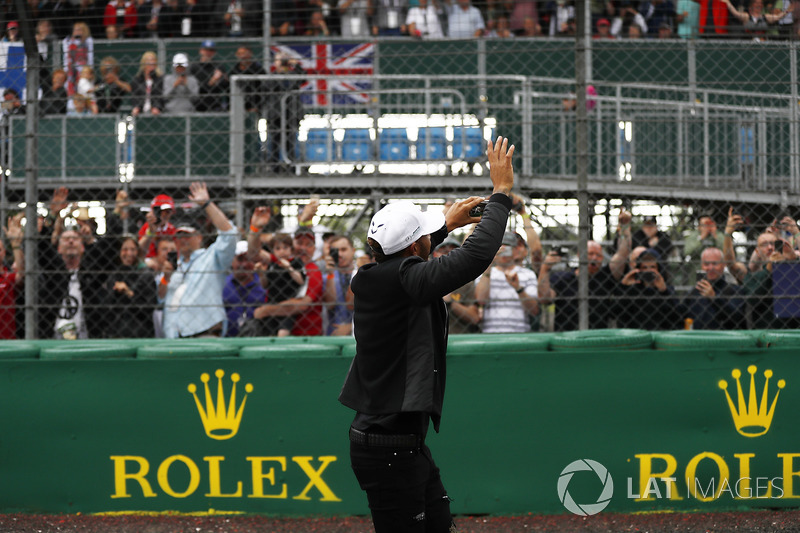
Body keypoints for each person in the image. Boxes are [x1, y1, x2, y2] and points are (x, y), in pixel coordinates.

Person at [339, 136, 514, 533]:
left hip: (396, 443)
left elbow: (407, 256)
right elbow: (472, 258)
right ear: (415, 245)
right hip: (389, 448)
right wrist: (501, 195)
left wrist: (445, 226)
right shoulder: (407, 279)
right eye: (424, 237)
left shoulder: (371, 275)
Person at [160, 182, 238, 338]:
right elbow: (161, 298)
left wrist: (207, 204)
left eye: (188, 236)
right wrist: (165, 278)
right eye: (180, 236)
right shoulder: (174, 266)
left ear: (199, 237)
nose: (183, 240)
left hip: (205, 331)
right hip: (174, 335)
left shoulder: (211, 258)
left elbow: (229, 235)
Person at [538, 210, 632, 331]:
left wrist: (625, 228)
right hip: (567, 338)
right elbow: (545, 298)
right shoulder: (563, 278)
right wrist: (545, 269)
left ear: (602, 258)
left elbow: (622, 254)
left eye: (598, 255)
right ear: (579, 255)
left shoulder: (605, 277)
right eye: (590, 254)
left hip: (598, 338)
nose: (594, 258)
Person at [251, 226, 323, 336]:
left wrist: (266, 310)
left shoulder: (313, 271)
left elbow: (302, 304)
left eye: (308, 244)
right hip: (274, 326)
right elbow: (254, 253)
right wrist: (255, 228)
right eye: (299, 243)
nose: (303, 248)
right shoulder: (280, 262)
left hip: (303, 334)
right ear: (293, 245)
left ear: (314, 249)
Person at [475, 231, 539, 333]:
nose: (503, 251)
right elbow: (481, 301)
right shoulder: (484, 274)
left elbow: (534, 310)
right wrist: (489, 263)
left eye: (507, 247)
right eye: (499, 247)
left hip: (520, 332)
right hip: (490, 333)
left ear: (515, 251)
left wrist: (518, 289)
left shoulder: (528, 274)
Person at [615, 248, 682, 330]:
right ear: (639, 269)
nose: (648, 271)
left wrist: (664, 291)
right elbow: (616, 311)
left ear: (659, 269)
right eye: (644, 267)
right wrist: (623, 286)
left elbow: (677, 316)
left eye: (652, 267)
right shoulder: (633, 290)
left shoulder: (668, 290)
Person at [104, 235, 158, 338]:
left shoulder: (145, 274)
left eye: (133, 249)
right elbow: (107, 307)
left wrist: (129, 293)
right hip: (116, 333)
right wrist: (116, 292)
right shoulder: (114, 275)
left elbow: (149, 307)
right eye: (125, 249)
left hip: (141, 332)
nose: (129, 253)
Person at [682, 247, 746, 330]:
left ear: (723, 265)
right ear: (702, 266)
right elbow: (678, 316)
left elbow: (736, 317)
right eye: (706, 264)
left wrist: (714, 298)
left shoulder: (735, 290)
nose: (711, 268)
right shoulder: (694, 293)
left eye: (715, 263)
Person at [432, 236, 481, 334]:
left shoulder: (466, 283)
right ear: (435, 254)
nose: (448, 255)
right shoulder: (425, 279)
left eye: (453, 251)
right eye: (444, 251)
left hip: (460, 339)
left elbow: (474, 318)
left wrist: (451, 302)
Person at [265, 54, 304, 173]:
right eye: (279, 60)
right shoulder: (271, 77)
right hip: (276, 114)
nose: (282, 62)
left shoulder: (293, 76)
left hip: (291, 113)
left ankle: (291, 167)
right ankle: (274, 168)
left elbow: (303, 77)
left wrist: (294, 64)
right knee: (274, 142)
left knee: (290, 142)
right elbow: (273, 86)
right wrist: (280, 70)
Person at [223, 241, 267, 337]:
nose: (244, 264)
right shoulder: (222, 284)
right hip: (227, 338)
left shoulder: (263, 284)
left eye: (248, 260)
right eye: (240, 259)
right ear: (232, 261)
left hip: (258, 338)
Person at [323, 234, 356, 336]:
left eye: (343, 249)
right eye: (336, 251)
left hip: (359, 331)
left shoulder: (361, 272)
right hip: (334, 333)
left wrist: (350, 327)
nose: (340, 254)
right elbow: (330, 304)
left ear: (353, 251)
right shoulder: (327, 277)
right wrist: (330, 274)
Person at [0, 213, 24, 339]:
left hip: (6, 339)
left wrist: (15, 244)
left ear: (4, 252)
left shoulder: (7, 276)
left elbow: (21, 274)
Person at [190, 40, 228, 112]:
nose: (208, 53)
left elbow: (224, 86)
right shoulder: (194, 67)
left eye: (211, 50)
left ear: (214, 52)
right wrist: (212, 81)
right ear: (200, 51)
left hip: (215, 104)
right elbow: (196, 89)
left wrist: (223, 80)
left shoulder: (219, 66)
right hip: (197, 105)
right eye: (206, 50)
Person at [719, 0, 792, 37]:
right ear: (751, 5)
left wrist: (788, 10)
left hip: (763, 43)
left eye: (760, 3)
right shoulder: (746, 16)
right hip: (748, 43)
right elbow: (736, 13)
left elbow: (778, 17)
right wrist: (728, 3)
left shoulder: (766, 17)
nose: (758, 5)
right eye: (756, 3)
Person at [229, 47, 266, 113]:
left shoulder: (258, 69)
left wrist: (258, 106)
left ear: (250, 54)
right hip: (238, 105)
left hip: (257, 105)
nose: (242, 56)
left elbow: (265, 89)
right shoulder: (234, 70)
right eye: (239, 54)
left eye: (244, 53)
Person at [138, 193, 177, 258]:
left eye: (168, 211)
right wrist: (150, 232)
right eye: (160, 211)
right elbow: (139, 251)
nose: (164, 215)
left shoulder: (172, 229)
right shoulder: (145, 228)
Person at [62, 22, 94, 97]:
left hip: (83, 72)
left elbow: (90, 58)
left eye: (79, 30)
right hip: (71, 72)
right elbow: (66, 57)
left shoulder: (88, 41)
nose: (77, 32)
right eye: (75, 30)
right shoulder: (67, 41)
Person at [131, 51, 165, 116]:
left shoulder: (160, 79)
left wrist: (157, 107)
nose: (151, 62)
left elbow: (161, 96)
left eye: (153, 60)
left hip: (156, 111)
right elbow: (134, 96)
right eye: (149, 60)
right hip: (141, 109)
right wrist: (137, 107)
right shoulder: (137, 80)